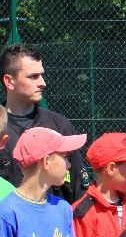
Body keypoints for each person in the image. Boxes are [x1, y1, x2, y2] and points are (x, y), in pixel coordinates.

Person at [0, 45, 86, 202]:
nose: (43, 83)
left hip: (55, 225)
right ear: (9, 81)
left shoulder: (60, 126)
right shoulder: (1, 129)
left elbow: (78, 190)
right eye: (33, 76)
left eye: (42, 75)